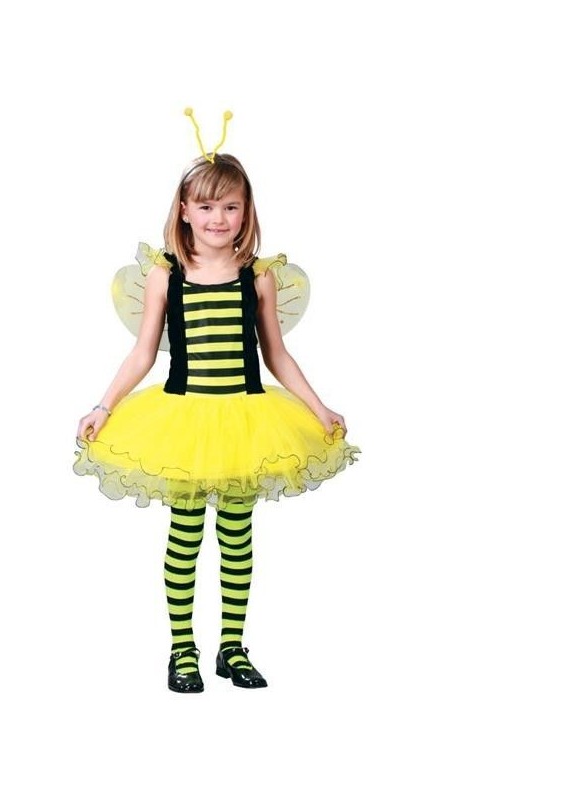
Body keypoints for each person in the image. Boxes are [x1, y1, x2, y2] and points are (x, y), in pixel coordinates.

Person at [74, 110, 359, 692]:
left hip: (246, 421)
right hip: (183, 420)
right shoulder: (168, 275)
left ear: (246, 212)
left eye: (230, 207)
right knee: (185, 535)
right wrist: (104, 406)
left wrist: (319, 407)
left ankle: (232, 645)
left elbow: (276, 355)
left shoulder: (258, 276)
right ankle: (182, 649)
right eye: (205, 206)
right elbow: (143, 352)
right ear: (184, 210)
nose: (218, 218)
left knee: (236, 536)